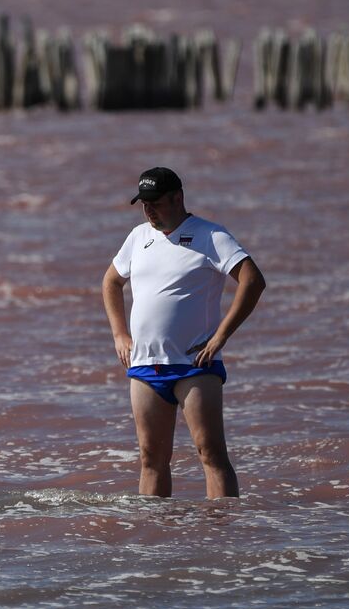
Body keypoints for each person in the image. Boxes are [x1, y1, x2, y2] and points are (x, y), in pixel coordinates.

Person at [101, 167, 266, 499]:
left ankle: (220, 537)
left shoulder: (210, 235)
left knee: (211, 455)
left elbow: (253, 280)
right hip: (146, 366)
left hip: (195, 366)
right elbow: (111, 282)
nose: (149, 211)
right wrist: (119, 334)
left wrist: (220, 337)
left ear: (178, 197)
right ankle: (155, 542)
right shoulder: (138, 237)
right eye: (144, 204)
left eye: (155, 203)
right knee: (151, 460)